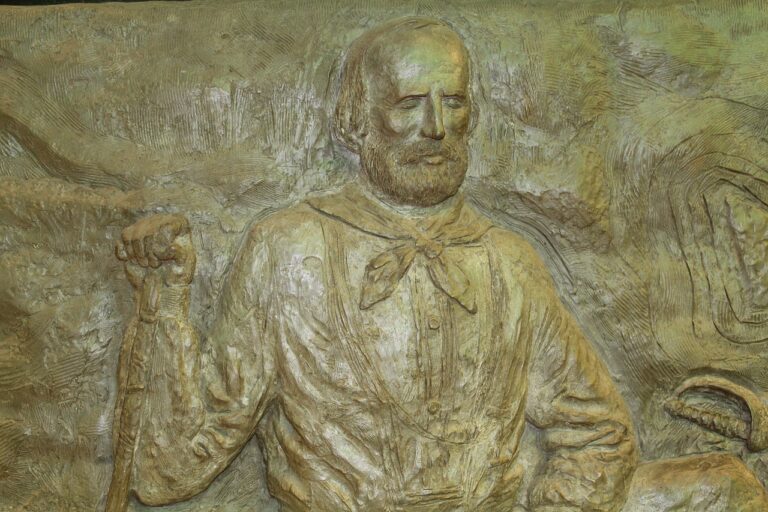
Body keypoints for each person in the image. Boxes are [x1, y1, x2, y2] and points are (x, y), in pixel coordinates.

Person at [109, 17, 767, 512]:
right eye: (408, 104)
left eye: (453, 102)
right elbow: (169, 472)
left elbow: (599, 433)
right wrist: (165, 305)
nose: (436, 128)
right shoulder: (285, 251)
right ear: (353, 122)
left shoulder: (509, 263)